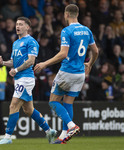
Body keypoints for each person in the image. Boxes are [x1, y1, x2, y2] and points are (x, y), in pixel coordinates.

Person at [34, 4, 99, 144]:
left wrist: (44, 63)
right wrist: (90, 64)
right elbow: (96, 51)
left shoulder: (66, 31)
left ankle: (71, 126)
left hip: (67, 71)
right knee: (68, 102)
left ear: (66, 14)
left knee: (53, 101)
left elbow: (63, 54)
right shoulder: (87, 30)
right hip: (80, 74)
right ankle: (64, 135)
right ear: (77, 14)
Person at [0, 17, 57, 145]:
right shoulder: (15, 43)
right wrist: (3, 63)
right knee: (28, 110)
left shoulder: (31, 42)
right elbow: (13, 62)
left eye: (21, 24)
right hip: (18, 79)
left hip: (26, 79)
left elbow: (31, 61)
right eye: (17, 24)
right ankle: (49, 131)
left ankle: (8, 137)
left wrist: (16, 70)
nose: (18, 26)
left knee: (13, 105)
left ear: (27, 27)